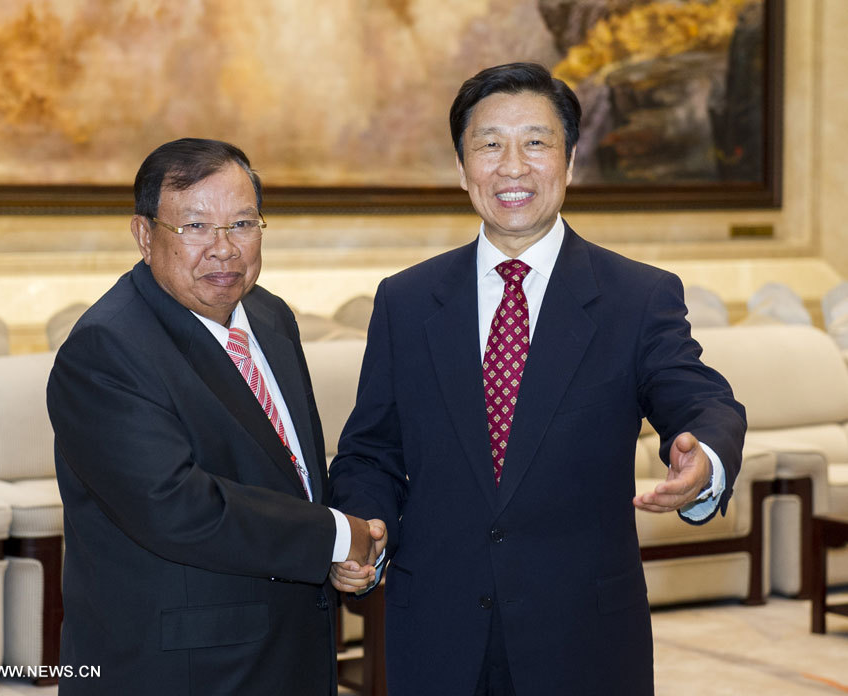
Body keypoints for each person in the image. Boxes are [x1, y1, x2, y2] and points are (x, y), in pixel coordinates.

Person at [328, 63, 746, 695]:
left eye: (536, 142)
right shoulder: (406, 301)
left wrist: (704, 461)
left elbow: (700, 398)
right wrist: (363, 529)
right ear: (462, 168)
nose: (513, 166)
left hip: (584, 641)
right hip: (436, 636)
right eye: (490, 144)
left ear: (571, 161)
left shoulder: (636, 296)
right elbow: (371, 450)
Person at [47, 138, 383, 695]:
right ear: (143, 234)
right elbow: (176, 508)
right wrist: (329, 537)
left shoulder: (270, 316)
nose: (224, 249)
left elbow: (290, 471)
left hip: (292, 648)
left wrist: (342, 548)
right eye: (195, 227)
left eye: (243, 224)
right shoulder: (108, 349)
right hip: (183, 669)